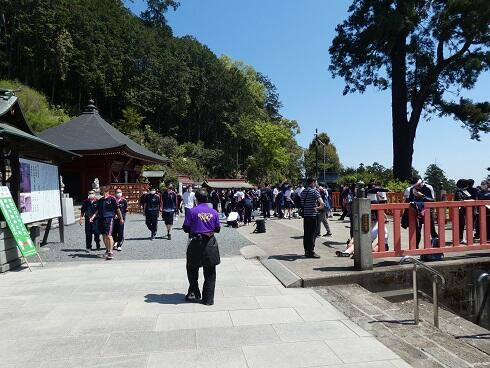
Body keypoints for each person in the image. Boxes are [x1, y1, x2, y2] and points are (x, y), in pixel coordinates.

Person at [183, 190, 221, 306]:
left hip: (195, 242)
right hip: (210, 242)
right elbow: (218, 228)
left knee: (192, 268)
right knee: (210, 272)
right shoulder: (214, 212)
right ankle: (208, 299)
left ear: (196, 199)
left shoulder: (192, 211)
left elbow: (186, 227)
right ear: (207, 199)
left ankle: (195, 292)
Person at [89, 186, 124, 260]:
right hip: (101, 219)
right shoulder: (100, 200)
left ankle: (111, 251)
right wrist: (92, 217)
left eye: (102, 191)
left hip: (109, 218)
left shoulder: (112, 199)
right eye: (101, 191)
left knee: (109, 235)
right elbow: (97, 210)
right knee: (104, 235)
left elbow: (117, 209)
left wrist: (121, 218)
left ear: (106, 191)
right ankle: (107, 249)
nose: (101, 193)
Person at [300, 178, 324, 258]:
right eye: (315, 182)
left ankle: (306, 251)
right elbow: (322, 203)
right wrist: (317, 208)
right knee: (312, 234)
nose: (316, 184)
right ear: (313, 183)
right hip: (313, 215)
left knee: (306, 233)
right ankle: (311, 251)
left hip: (306, 215)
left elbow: (301, 203)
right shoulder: (314, 192)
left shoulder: (303, 192)